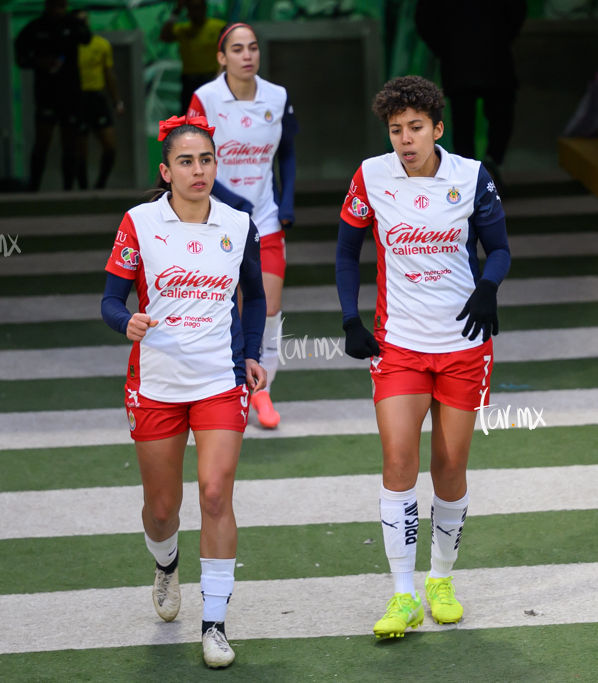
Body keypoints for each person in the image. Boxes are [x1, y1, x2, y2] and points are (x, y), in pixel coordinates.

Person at [335, 76, 511, 638]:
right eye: (395, 130)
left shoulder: (471, 175)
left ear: (438, 128)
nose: (405, 139)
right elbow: (346, 250)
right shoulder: (371, 176)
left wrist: (488, 287)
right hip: (400, 345)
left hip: (463, 345)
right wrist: (350, 318)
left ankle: (441, 578)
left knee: (450, 468)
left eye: (415, 128)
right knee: (397, 462)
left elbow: (500, 247)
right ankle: (404, 593)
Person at [100, 115, 267, 668]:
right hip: (155, 385)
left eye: (207, 160)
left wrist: (250, 354)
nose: (199, 170)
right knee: (161, 508)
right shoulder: (139, 223)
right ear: (166, 171)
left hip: (219, 382)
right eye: (187, 161)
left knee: (216, 494)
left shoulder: (239, 223)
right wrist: (124, 321)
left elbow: (255, 296)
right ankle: (166, 563)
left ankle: (215, 623)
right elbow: (109, 300)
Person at [186, 22, 298, 430]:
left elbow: (286, 152)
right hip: (218, 219)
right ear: (222, 57)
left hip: (266, 220)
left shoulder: (278, 96)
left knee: (267, 307)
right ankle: (232, 385)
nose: (247, 55)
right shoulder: (205, 98)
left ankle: (262, 390)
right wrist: (232, 202)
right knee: (229, 306)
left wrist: (286, 201)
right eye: (237, 49)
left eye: (252, 48)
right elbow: (191, 155)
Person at [415, 0, 527, 189]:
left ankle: (468, 177)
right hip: (495, 55)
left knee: (463, 121)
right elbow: (517, 11)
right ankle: (491, 162)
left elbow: (424, 20)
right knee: (500, 113)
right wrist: (499, 38)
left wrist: (446, 48)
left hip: (458, 59)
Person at [14, 0, 92, 191]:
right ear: (48, 4)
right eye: (57, 4)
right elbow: (20, 56)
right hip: (46, 92)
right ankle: (33, 189)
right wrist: (39, 62)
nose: (61, 9)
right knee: (42, 139)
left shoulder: (72, 24)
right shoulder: (35, 27)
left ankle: (68, 190)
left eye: (64, 5)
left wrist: (82, 23)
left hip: (70, 92)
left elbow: (86, 38)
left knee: (70, 141)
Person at [74, 10, 123, 190]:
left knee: (110, 146)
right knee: (81, 151)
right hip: (78, 100)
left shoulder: (101, 45)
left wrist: (117, 101)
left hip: (97, 98)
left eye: (84, 20)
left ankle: (100, 185)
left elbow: (109, 75)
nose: (82, 24)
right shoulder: (70, 47)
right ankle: (83, 189)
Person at [159, 0, 227, 114]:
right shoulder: (183, 29)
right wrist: (176, 11)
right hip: (190, 83)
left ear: (205, 8)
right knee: (189, 121)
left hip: (212, 80)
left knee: (215, 117)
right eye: (191, 8)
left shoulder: (218, 27)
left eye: (198, 8)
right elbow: (164, 36)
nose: (195, 12)